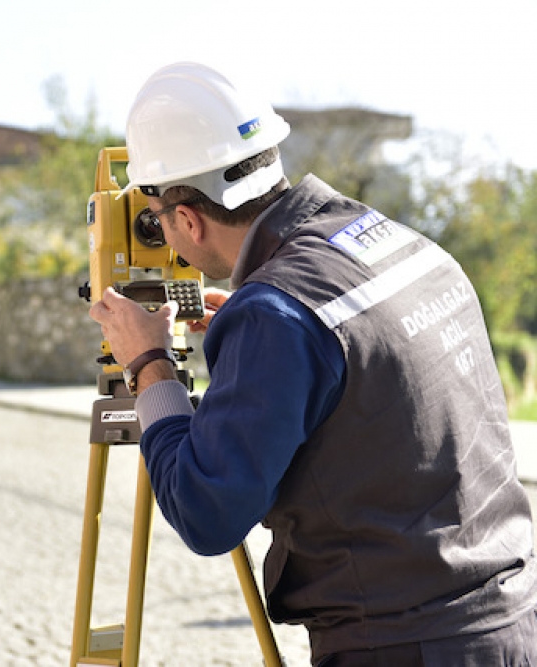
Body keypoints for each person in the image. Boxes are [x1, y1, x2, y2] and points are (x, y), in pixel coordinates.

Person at [89, 62, 537, 665]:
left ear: (188, 219)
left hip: (403, 646)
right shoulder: (408, 247)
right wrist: (260, 346)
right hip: (513, 621)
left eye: (161, 223)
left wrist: (148, 362)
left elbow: (206, 511)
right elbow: (368, 375)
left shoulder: (276, 316)